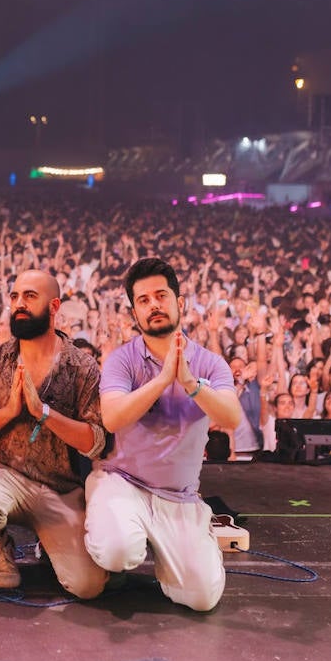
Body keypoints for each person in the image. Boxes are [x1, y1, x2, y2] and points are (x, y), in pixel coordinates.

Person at [84, 257, 242, 612]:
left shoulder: (210, 364)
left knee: (202, 600)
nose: (153, 305)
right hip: (124, 483)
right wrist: (161, 380)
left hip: (178, 496)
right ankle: (116, 535)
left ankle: (176, 548)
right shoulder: (122, 360)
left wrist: (187, 381)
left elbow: (231, 417)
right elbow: (111, 418)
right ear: (134, 314)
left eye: (161, 295)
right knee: (117, 551)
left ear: (180, 303)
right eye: (143, 300)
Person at [0, 270, 107, 597]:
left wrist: (44, 412)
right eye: (14, 297)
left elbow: (95, 442)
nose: (19, 304)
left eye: (29, 296)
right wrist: (11, 411)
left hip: (60, 489)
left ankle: (48, 542)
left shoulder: (81, 366)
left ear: (54, 306)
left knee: (88, 587)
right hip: (5, 477)